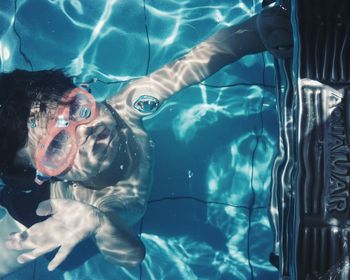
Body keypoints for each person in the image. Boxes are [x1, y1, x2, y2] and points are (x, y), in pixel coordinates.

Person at [0, 3, 292, 277]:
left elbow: (195, 62)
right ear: (44, 174)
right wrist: (97, 222)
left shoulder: (126, 107)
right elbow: (131, 255)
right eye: (57, 146)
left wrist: (254, 31)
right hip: (40, 212)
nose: (83, 129)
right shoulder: (103, 203)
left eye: (77, 109)